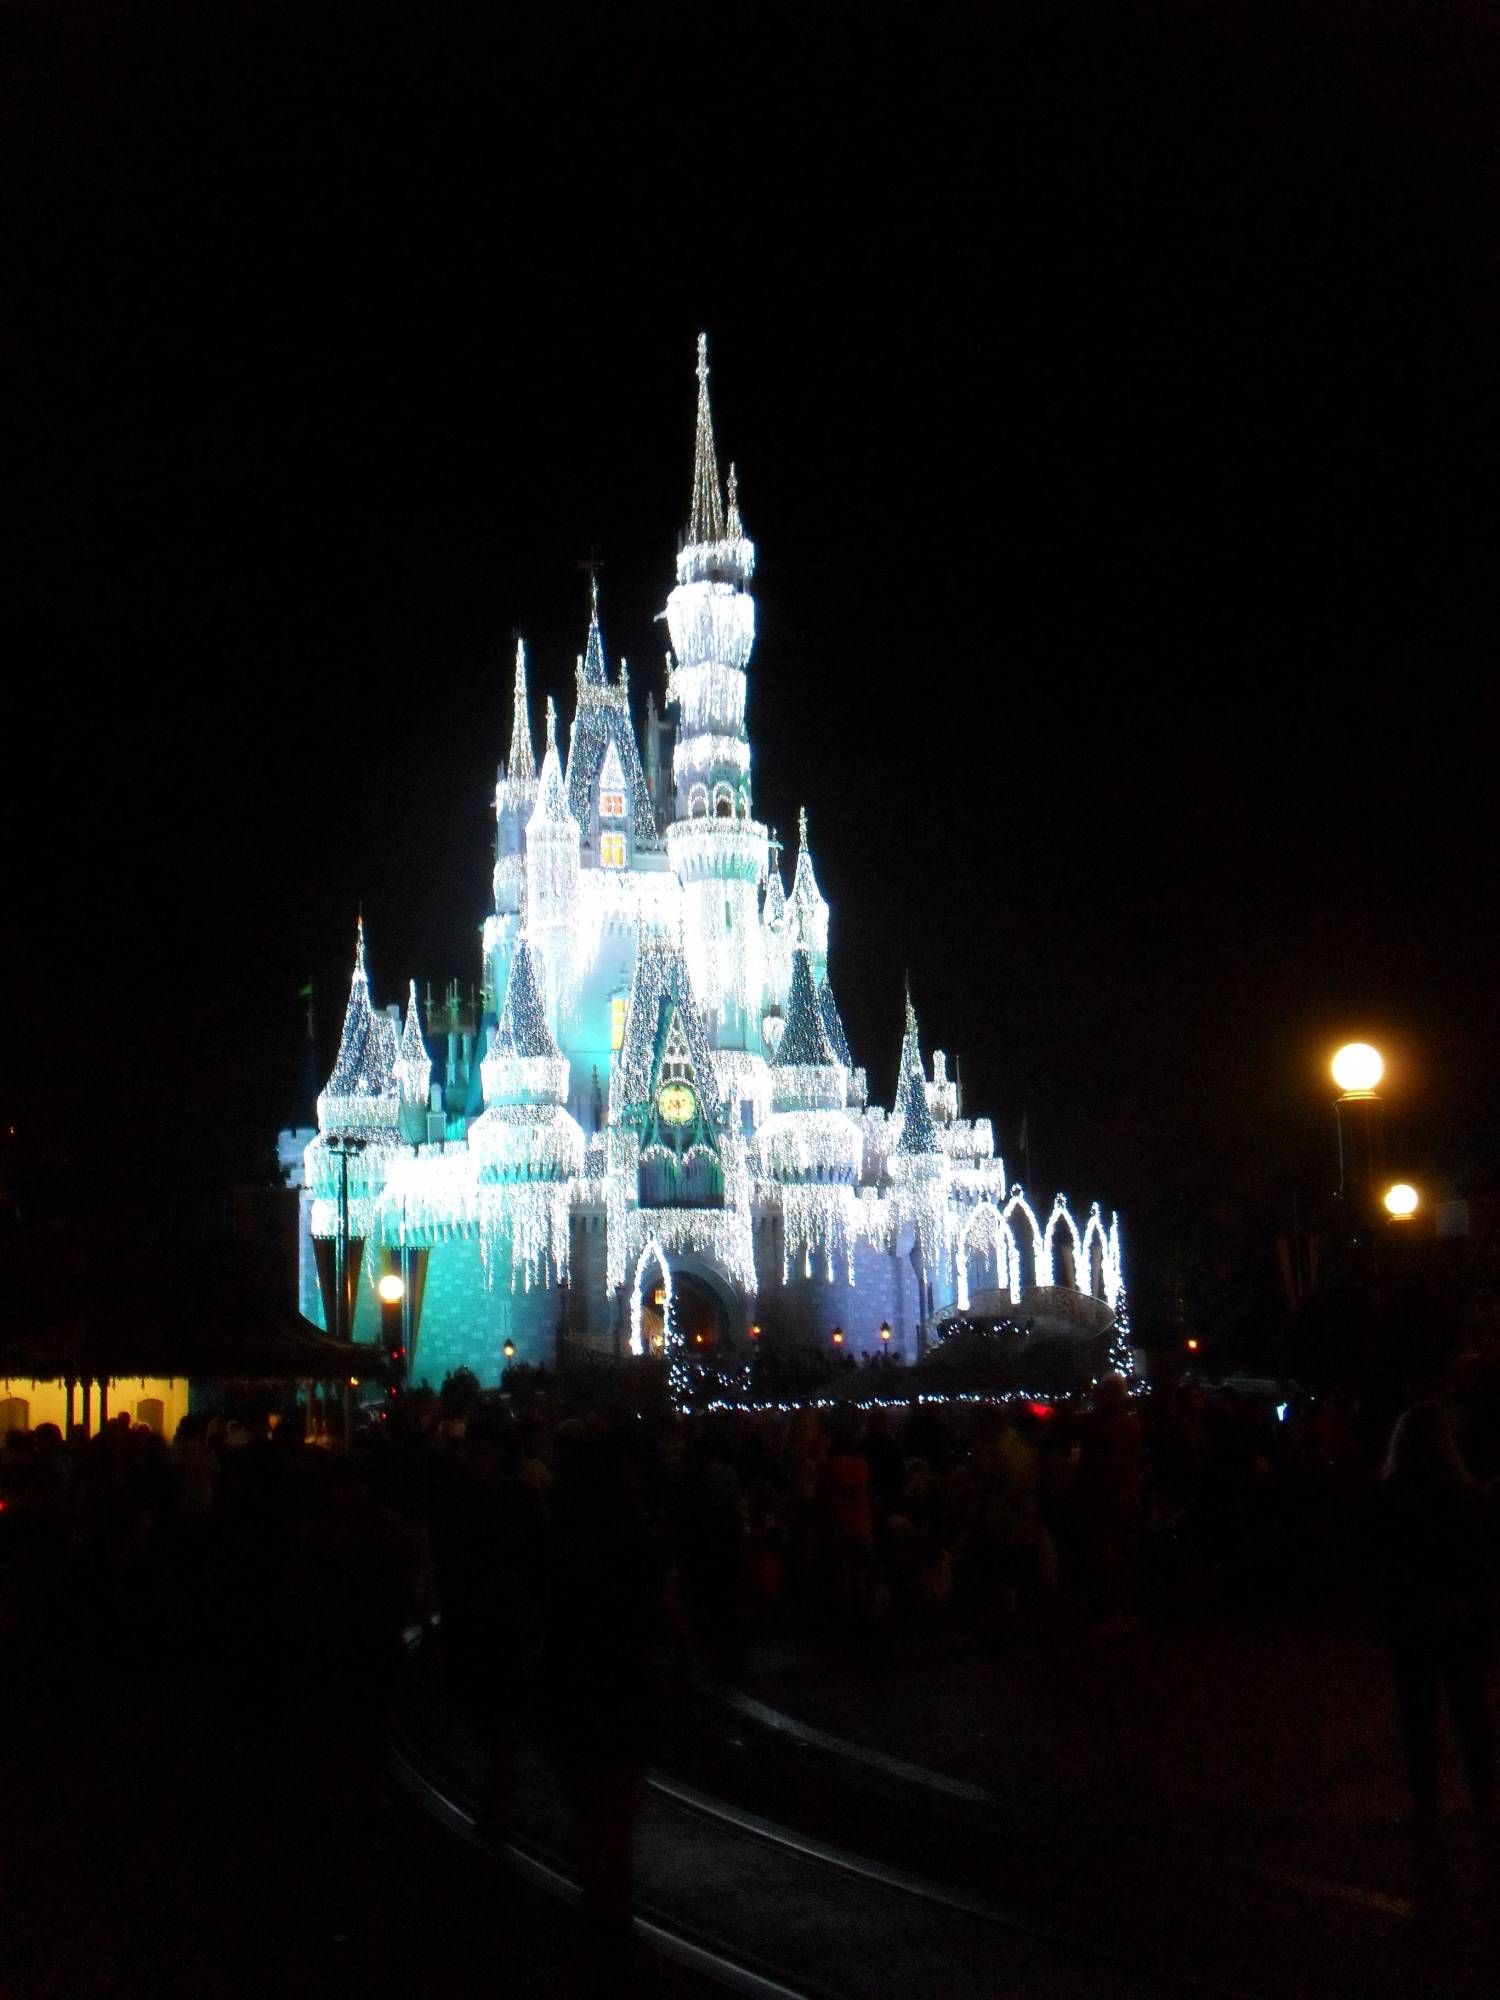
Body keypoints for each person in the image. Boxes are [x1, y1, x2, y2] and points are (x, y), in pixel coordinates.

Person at [1372, 1399, 1496, 1829]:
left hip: (1414, 1619)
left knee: (1419, 1715)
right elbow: (1482, 1561)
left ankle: (1426, 1804)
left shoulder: (1394, 1493)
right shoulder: (1467, 1495)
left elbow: (1386, 1564)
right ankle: (1484, 1799)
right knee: (1470, 1713)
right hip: (1460, 1619)